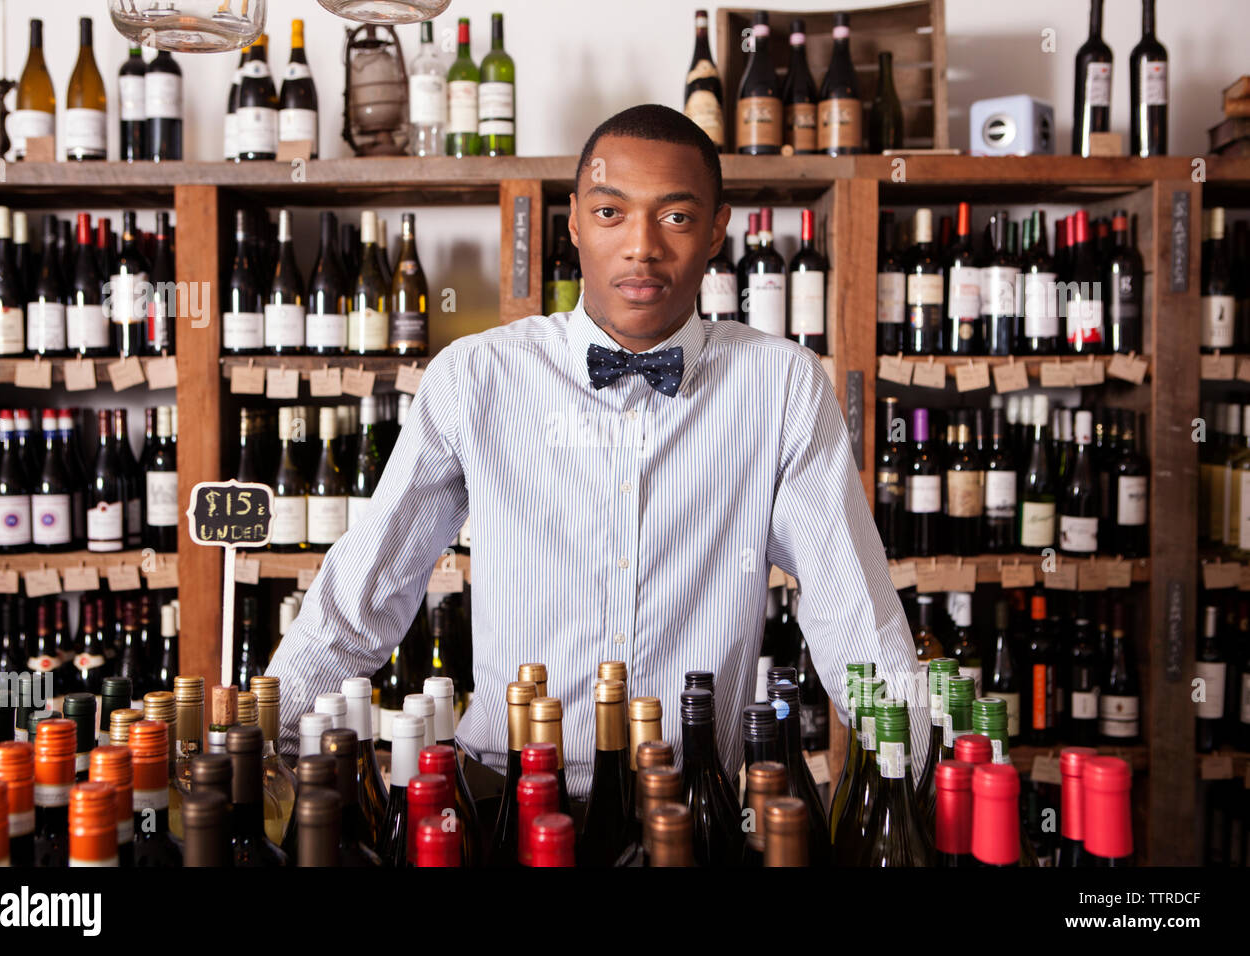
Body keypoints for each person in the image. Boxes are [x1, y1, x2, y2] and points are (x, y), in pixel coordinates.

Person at [265, 103, 927, 800]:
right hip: (504, 798)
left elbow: (856, 620)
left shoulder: (783, 385)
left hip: (693, 805)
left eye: (675, 217)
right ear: (575, 220)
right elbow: (364, 592)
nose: (642, 247)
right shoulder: (476, 377)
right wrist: (256, 736)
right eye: (613, 213)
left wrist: (926, 789)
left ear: (715, 232)